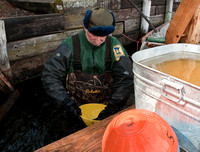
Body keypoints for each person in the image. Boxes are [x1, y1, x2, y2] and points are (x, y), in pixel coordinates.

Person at [41, 7, 134, 127]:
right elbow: (50, 76)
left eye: (103, 37)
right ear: (85, 27)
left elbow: (125, 78)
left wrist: (113, 107)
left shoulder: (114, 45)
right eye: (93, 35)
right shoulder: (69, 45)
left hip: (106, 106)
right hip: (75, 107)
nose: (97, 41)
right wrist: (66, 104)